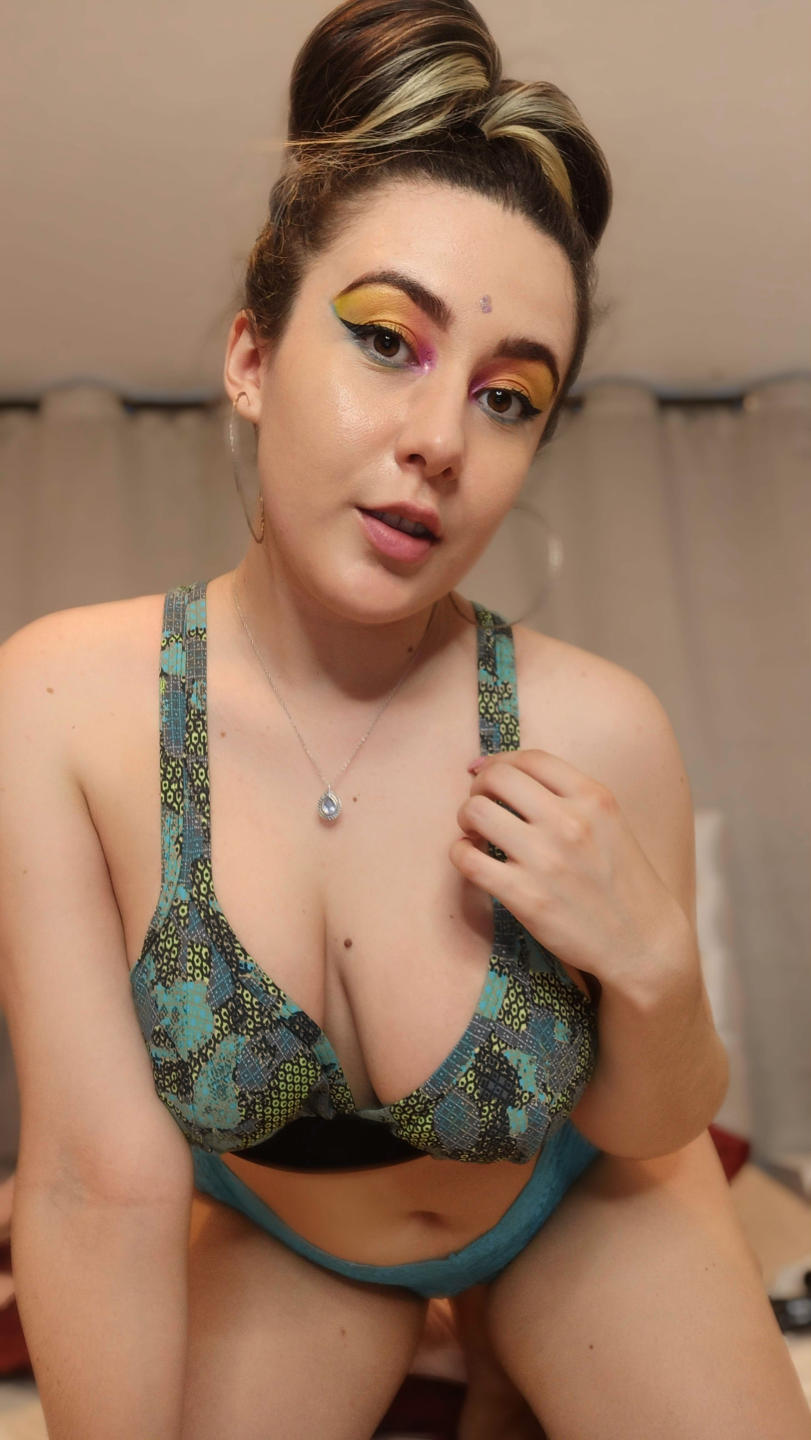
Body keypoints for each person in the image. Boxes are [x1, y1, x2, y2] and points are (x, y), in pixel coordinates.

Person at [0, 1, 808, 1436]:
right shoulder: (64, 701)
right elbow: (92, 1177)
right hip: (298, 1241)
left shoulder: (596, 723)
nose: (441, 441)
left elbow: (651, 1118)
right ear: (251, 359)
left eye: (509, 398)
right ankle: (461, 1353)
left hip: (579, 1203)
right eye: (387, 340)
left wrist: (652, 966)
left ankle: (503, 1340)